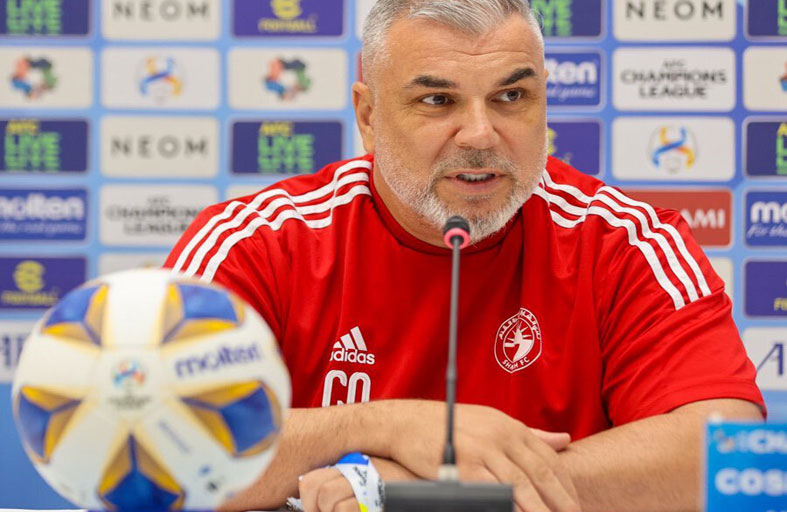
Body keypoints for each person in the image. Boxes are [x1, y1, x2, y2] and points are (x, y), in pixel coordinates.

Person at [165, 1, 765, 510]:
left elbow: (726, 449)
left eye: (511, 96)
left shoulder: (624, 241)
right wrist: (382, 426)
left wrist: (442, 496)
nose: (480, 134)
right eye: (437, 101)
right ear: (369, 117)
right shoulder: (257, 242)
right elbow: (157, 444)